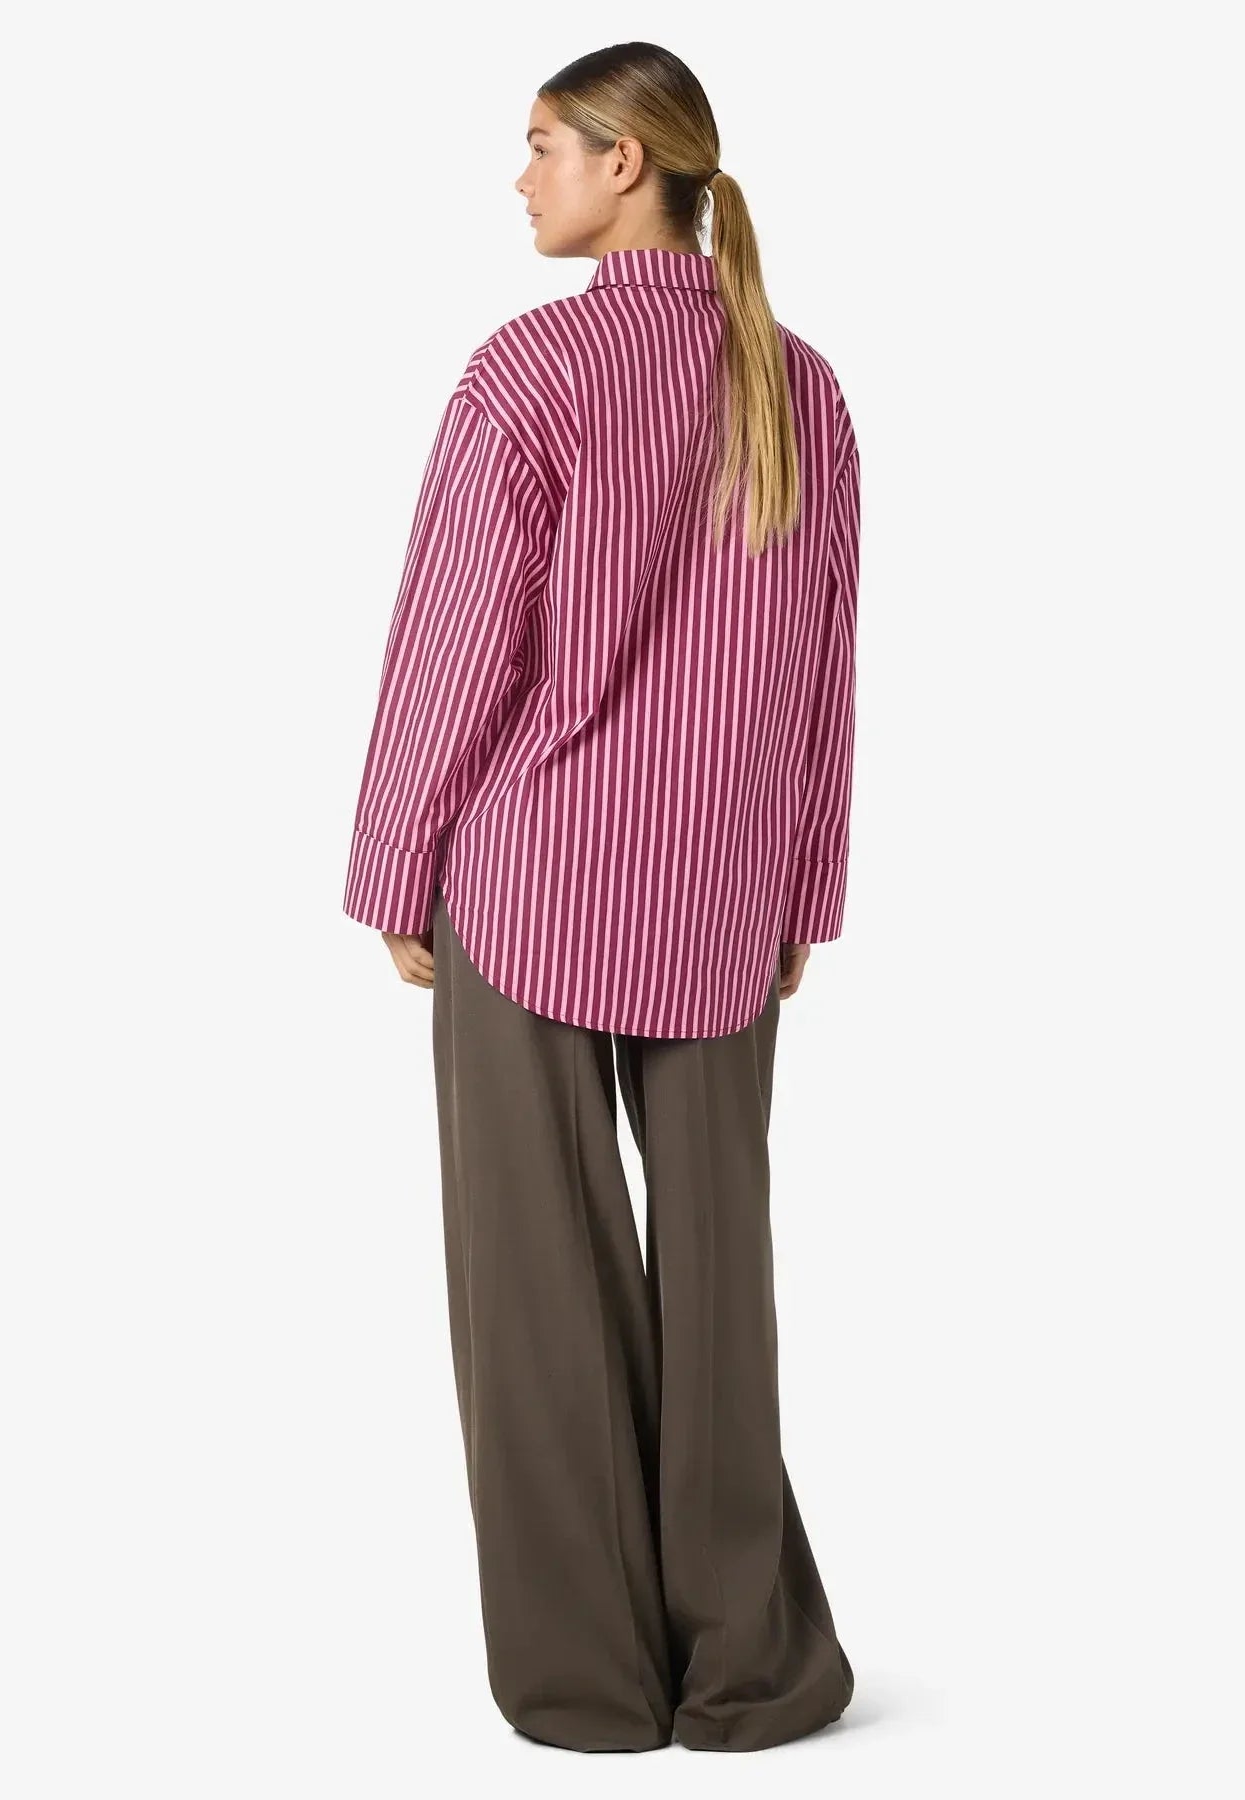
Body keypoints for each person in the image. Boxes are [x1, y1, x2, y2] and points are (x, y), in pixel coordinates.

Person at [342, 40, 860, 1754]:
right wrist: (801, 890)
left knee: (536, 1295)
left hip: (528, 888)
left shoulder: (532, 371)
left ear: (627, 161)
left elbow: (455, 646)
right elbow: (821, 673)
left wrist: (395, 863)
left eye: (544, 144)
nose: (521, 178)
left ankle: (588, 1685)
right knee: (721, 1284)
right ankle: (748, 1669)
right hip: (720, 893)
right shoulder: (799, 386)